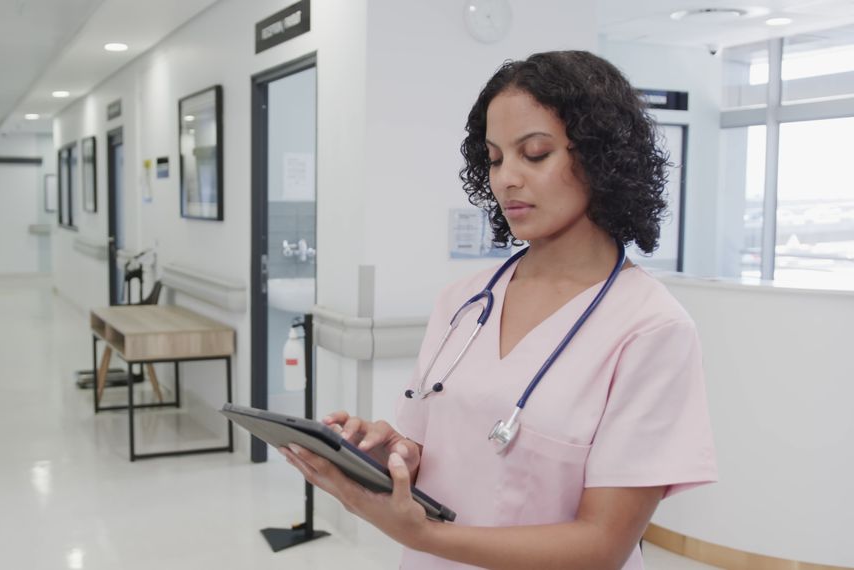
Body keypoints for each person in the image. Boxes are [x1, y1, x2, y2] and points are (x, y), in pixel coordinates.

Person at [278, 50, 718, 569]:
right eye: (493, 157)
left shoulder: (651, 328)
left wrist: (424, 536)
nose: (506, 178)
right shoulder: (463, 301)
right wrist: (385, 459)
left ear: (603, 158)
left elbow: (602, 546)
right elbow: (427, 449)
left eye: (534, 154)